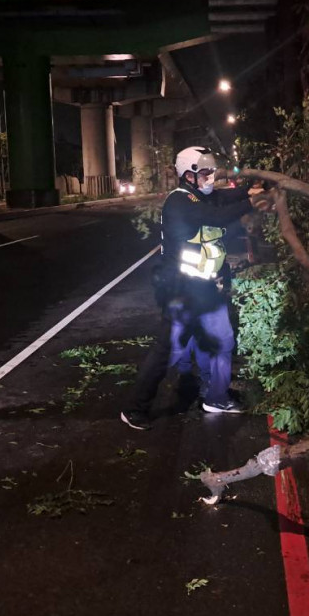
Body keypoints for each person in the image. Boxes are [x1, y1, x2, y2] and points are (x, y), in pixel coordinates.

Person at [120, 146, 265, 430]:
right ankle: (134, 408)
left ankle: (216, 397)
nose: (212, 177)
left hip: (207, 290)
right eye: (206, 172)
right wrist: (252, 202)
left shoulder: (201, 196)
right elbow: (218, 216)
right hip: (181, 292)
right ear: (188, 175)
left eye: (212, 171)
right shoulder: (180, 202)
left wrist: (252, 189)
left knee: (222, 341)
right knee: (168, 352)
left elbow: (226, 196)